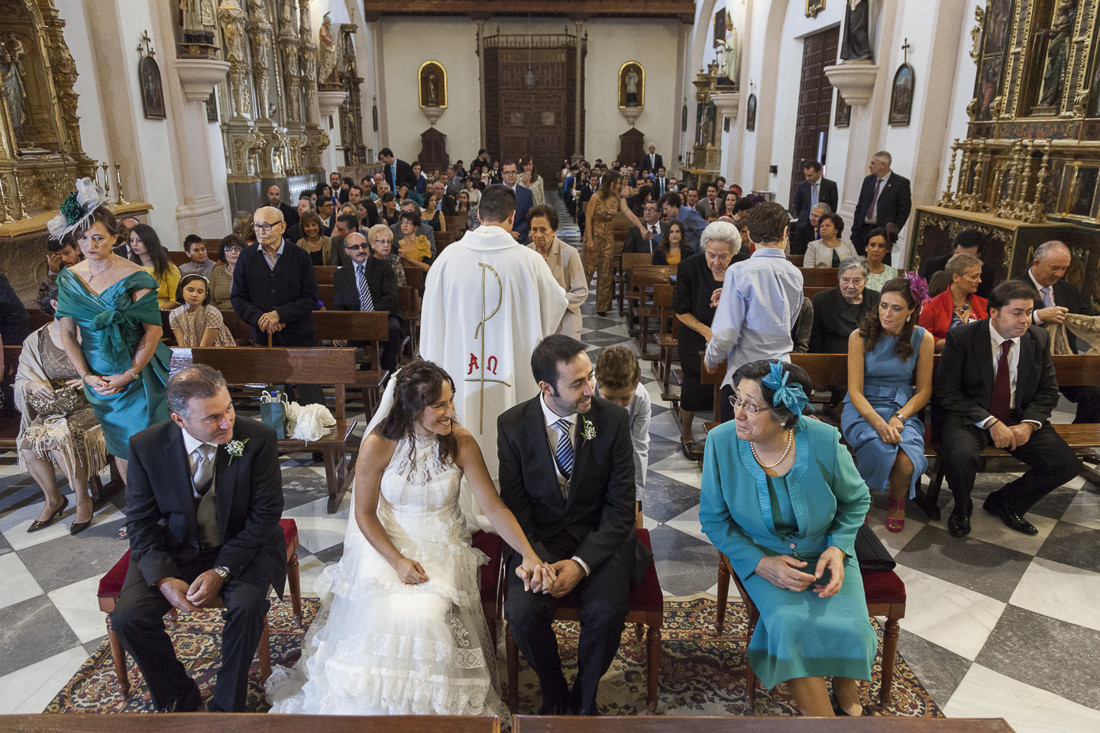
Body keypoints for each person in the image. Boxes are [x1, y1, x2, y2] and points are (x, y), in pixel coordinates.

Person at [267, 361, 554, 716]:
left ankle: (423, 712)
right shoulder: (378, 444)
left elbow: (494, 508)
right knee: (378, 613)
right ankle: (371, 711)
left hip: (443, 544)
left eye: (451, 401)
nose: (451, 412)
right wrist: (398, 561)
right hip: (388, 546)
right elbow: (365, 515)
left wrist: (528, 554)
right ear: (412, 407)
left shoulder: (461, 442)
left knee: (424, 616)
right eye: (440, 405)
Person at [700, 360, 876, 718]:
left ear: (783, 414)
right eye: (737, 400)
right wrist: (761, 564)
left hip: (824, 550)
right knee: (788, 624)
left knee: (854, 624)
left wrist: (838, 549)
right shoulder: (720, 442)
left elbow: (857, 499)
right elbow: (713, 520)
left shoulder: (824, 440)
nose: (738, 413)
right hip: (762, 554)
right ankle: (827, 724)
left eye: (751, 405)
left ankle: (846, 686)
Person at [112, 365, 286, 712]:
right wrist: (162, 577)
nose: (228, 423)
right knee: (127, 618)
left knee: (249, 606)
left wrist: (222, 571)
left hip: (240, 547)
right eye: (212, 418)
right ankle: (178, 695)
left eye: (229, 409)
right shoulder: (146, 447)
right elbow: (141, 521)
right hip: (172, 550)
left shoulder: (257, 439)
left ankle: (227, 705)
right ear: (179, 420)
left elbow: (265, 516)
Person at [498, 335, 650, 716]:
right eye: (578, 383)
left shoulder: (607, 420)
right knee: (522, 611)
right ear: (546, 387)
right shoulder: (513, 426)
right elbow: (515, 508)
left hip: (599, 538)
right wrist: (537, 561)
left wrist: (581, 564)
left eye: (590, 377)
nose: (590, 389)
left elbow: (620, 508)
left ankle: (584, 698)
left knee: (607, 611)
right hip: (538, 542)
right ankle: (553, 693)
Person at [420, 184, 567, 483]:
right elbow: (557, 304)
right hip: (512, 375)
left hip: (460, 373)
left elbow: (431, 324)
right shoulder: (529, 261)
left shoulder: (447, 259)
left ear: (477, 214)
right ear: (513, 218)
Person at [50, 178, 171, 493]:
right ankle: (140, 512)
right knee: (120, 444)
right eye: (84, 238)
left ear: (116, 238)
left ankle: (167, 506)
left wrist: (130, 372)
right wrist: (86, 376)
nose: (90, 245)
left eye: (99, 237)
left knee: (146, 443)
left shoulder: (136, 276)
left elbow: (153, 330)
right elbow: (67, 334)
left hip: (139, 372)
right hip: (100, 377)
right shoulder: (69, 279)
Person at [933, 280, 1081, 537]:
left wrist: (1029, 424)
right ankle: (961, 506)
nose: (1025, 320)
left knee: (1066, 463)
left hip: (1018, 415)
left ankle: (1006, 501)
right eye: (1017, 312)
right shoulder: (964, 338)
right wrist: (990, 422)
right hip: (972, 415)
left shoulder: (1039, 338)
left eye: (1029, 312)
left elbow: (1047, 391)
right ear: (994, 312)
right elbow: (947, 394)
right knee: (960, 455)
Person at [841, 277, 933, 533]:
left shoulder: (923, 339)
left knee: (907, 461)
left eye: (896, 308)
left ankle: (897, 499)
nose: (887, 314)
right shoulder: (859, 337)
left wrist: (899, 417)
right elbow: (854, 391)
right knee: (878, 447)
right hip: (863, 407)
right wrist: (879, 423)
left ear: (911, 310)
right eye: (883, 305)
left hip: (900, 407)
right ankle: (860, 499)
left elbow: (924, 391)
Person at [705, 204, 804, 422]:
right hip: (780, 375)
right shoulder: (795, 274)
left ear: (749, 234)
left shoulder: (739, 271)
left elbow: (727, 332)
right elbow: (790, 319)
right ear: (785, 233)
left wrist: (711, 357)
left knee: (738, 446)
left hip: (745, 376)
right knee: (770, 449)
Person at [15, 306, 108, 534]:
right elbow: (21, 379)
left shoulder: (92, 333)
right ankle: (53, 499)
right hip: (54, 407)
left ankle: (83, 498)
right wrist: (32, 385)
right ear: (56, 303)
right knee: (28, 444)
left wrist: (89, 381)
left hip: (91, 405)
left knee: (59, 440)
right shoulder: (36, 339)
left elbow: (112, 370)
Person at [231, 206, 322, 404]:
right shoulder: (246, 258)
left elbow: (310, 297)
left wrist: (280, 315)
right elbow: (238, 298)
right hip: (266, 336)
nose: (260, 231)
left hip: (300, 335)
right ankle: (282, 433)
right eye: (256, 226)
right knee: (277, 397)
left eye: (266, 226)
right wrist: (261, 319)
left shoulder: (299, 256)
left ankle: (318, 433)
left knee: (310, 393)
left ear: (282, 227)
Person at [1014, 240, 1100, 424]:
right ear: (1036, 263)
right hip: (1028, 366)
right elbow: (1005, 325)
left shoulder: (1067, 289)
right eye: (1055, 268)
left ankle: (1079, 439)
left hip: (1065, 362)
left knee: (1095, 392)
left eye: (1064, 269)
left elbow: (1084, 315)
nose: (1059, 274)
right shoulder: (1014, 288)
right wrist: (1038, 315)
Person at [674, 222, 739, 457]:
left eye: (724, 256)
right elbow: (681, 310)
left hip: (734, 336)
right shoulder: (689, 267)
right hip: (696, 334)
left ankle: (729, 430)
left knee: (736, 383)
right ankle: (687, 431)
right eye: (712, 255)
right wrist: (707, 332)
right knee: (693, 380)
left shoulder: (742, 267)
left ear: (733, 253)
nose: (717, 261)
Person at [331, 231, 405, 372]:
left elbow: (391, 299)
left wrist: (368, 313)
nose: (361, 250)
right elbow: (338, 306)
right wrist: (339, 330)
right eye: (355, 247)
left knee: (393, 328)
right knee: (340, 341)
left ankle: (388, 370)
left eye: (363, 245)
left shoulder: (383, 267)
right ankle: (352, 380)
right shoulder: (341, 275)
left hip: (383, 316)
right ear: (347, 251)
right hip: (355, 321)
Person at [584, 170, 644, 315]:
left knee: (605, 273)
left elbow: (628, 213)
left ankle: (602, 307)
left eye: (619, 183)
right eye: (616, 183)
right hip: (594, 236)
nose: (619, 186)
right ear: (608, 182)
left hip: (608, 238)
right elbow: (588, 218)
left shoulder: (618, 199)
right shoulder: (596, 197)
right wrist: (590, 240)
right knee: (587, 271)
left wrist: (641, 227)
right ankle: (574, 301)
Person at [594, 346, 651, 493]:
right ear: (599, 386)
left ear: (636, 385)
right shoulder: (587, 394)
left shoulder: (641, 398)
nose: (617, 407)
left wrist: (637, 495)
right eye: (610, 398)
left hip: (623, 455)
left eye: (625, 398)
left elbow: (639, 446)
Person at [527, 204, 587, 341]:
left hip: (565, 321)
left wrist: (557, 300)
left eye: (543, 230)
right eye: (534, 230)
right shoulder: (526, 253)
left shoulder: (569, 253)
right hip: (538, 322)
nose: (537, 235)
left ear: (554, 230)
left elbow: (581, 291)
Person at [918, 252, 988, 352]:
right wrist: (955, 341)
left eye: (979, 276)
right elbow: (922, 341)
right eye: (974, 276)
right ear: (956, 278)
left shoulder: (984, 304)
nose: (979, 280)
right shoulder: (932, 306)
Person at [850, 151, 912, 253]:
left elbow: (904, 211)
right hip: (862, 231)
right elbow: (860, 205)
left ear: (882, 165)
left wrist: (892, 232)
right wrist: (856, 227)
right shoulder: (868, 180)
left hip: (882, 233)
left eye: (873, 163)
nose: (870, 166)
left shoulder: (901, 183)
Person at [919, 229, 996, 300]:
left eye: (967, 257)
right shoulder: (934, 265)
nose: (961, 261)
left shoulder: (986, 274)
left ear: (978, 255)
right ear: (954, 249)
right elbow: (920, 294)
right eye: (958, 255)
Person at [169, 274, 236, 348]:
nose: (194, 294)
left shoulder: (211, 313)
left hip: (216, 352)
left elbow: (204, 347)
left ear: (205, 295)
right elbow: (182, 345)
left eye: (200, 292)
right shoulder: (175, 314)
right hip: (190, 352)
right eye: (190, 290)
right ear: (181, 291)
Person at [790, 161, 839, 255]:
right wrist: (805, 217)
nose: (807, 178)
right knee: (801, 251)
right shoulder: (802, 186)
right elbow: (798, 205)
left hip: (822, 224)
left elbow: (833, 207)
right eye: (806, 175)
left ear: (819, 172)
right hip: (804, 223)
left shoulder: (830, 186)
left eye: (810, 175)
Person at [129, 224, 181, 310]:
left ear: (150, 241)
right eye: (131, 240)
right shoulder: (130, 267)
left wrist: (157, 310)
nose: (134, 244)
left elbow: (176, 300)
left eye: (139, 240)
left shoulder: (168, 268)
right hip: (136, 312)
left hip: (161, 313)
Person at [500, 160, 535, 243]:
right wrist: (506, 234)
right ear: (502, 174)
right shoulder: (493, 192)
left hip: (521, 239)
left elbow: (529, 217)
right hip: (500, 240)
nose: (511, 175)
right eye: (507, 172)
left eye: (513, 172)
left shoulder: (527, 193)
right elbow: (491, 217)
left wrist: (516, 234)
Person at [209, 235, 244, 310]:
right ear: (223, 253)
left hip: (245, 316)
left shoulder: (251, 271)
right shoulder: (217, 271)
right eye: (228, 249)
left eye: (238, 249)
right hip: (219, 315)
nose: (233, 252)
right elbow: (210, 299)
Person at [367, 223, 406, 288]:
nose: (386, 245)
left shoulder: (394, 259)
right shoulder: (367, 261)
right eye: (382, 241)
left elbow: (401, 284)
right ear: (372, 244)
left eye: (389, 241)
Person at [395, 209, 433, 273]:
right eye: (403, 222)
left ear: (415, 227)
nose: (405, 225)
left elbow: (428, 268)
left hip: (420, 277)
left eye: (409, 222)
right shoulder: (396, 245)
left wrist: (407, 258)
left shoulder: (423, 243)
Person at [864, 227, 900, 291]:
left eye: (881, 246)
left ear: (886, 249)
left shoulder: (892, 273)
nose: (876, 249)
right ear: (866, 247)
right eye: (872, 245)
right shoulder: (855, 268)